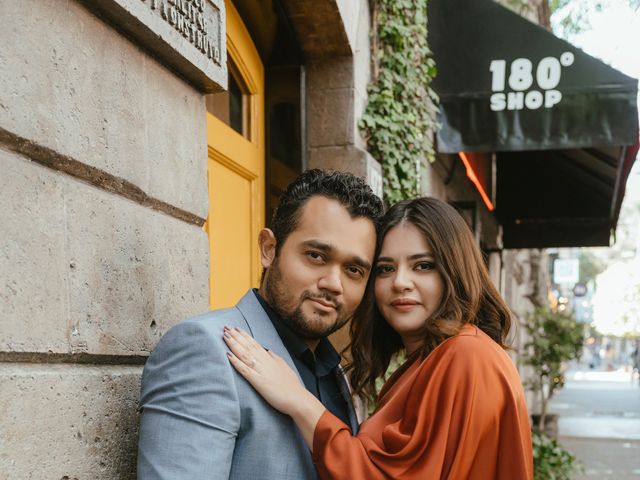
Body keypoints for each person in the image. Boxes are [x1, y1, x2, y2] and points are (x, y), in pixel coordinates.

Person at [224, 197, 534, 479]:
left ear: (455, 272)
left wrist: (299, 401)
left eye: (423, 266)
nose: (400, 282)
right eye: (385, 269)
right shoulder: (430, 360)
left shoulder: (467, 354)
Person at [137, 169, 384, 479]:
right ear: (269, 249)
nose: (334, 283)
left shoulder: (335, 374)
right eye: (316, 256)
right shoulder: (205, 349)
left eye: (353, 270)